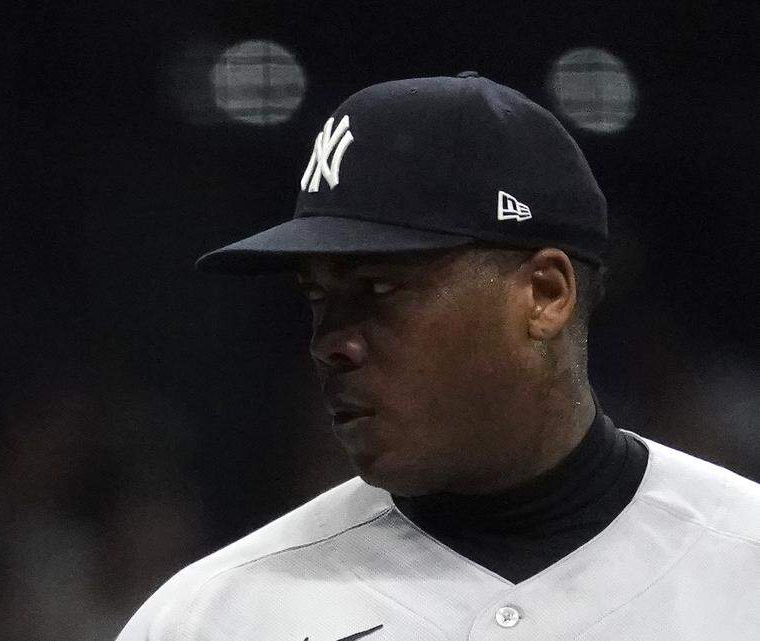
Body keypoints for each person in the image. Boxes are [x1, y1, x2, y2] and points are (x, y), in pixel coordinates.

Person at [115, 73, 760, 640]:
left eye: (379, 289)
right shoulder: (209, 619)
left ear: (545, 294)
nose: (330, 343)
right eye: (317, 297)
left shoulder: (743, 563)